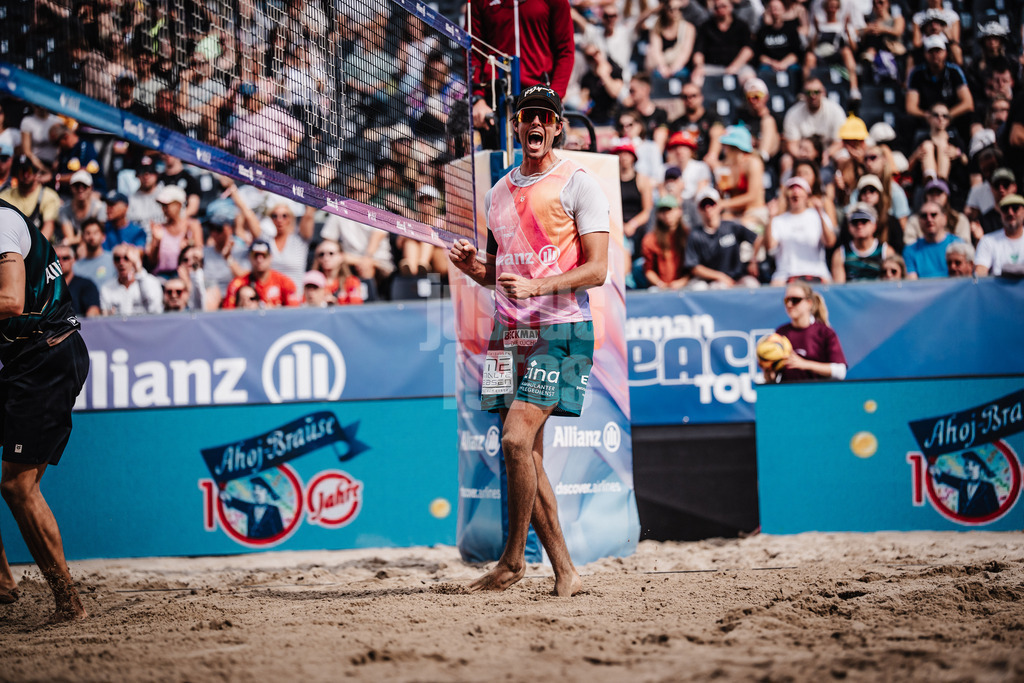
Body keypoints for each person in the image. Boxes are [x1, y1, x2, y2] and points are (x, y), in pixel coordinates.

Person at [447, 85, 609, 597]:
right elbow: (498, 273)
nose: (535, 123)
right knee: (526, 457)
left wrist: (538, 287)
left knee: (515, 440)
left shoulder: (579, 183)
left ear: (558, 126)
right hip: (507, 333)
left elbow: (598, 271)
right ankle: (566, 572)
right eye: (526, 116)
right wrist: (472, 267)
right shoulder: (497, 193)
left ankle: (512, 561)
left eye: (545, 116)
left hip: (561, 329)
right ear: (516, 125)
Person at [0, 197, 90, 622]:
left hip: (46, 357)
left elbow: (11, 300)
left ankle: (69, 603)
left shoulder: (1, 222)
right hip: (27, 359)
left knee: (18, 487)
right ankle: (3, 583)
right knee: (18, 486)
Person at [469, 0, 575, 136]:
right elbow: (472, 50)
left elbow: (565, 50)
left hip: (541, 98)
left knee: (541, 149)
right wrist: (478, 98)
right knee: (496, 151)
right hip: (494, 100)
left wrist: (553, 98)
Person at [757, 176, 836, 284]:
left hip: (816, 273)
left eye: (799, 188)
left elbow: (830, 242)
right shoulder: (778, 220)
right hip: (786, 275)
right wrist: (770, 218)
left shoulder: (817, 216)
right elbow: (770, 247)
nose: (795, 191)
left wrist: (820, 214)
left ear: (807, 195)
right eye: (791, 188)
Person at [764, 280, 847, 383]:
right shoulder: (781, 332)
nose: (789, 304)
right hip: (788, 391)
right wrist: (769, 373)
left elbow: (840, 372)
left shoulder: (825, 332)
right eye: (786, 300)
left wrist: (805, 364)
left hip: (818, 391)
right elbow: (775, 377)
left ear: (809, 303)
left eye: (795, 300)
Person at [684, 187, 760, 288]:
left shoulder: (731, 227)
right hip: (711, 282)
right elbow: (694, 267)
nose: (708, 209)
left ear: (718, 206)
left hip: (737, 278)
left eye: (712, 204)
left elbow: (757, 239)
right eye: (703, 205)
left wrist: (753, 260)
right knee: (710, 287)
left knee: (752, 284)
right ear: (699, 209)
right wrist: (720, 276)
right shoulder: (695, 235)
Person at [905, 35, 973, 130]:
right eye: (931, 52)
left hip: (951, 116)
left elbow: (968, 103)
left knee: (970, 117)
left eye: (938, 51)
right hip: (926, 118)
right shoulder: (917, 73)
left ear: (945, 53)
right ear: (925, 54)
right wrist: (928, 116)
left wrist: (946, 116)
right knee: (907, 120)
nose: (935, 55)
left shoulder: (954, 71)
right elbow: (910, 107)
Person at [222, 239, 297, 309]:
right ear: (249, 257)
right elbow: (228, 313)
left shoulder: (284, 283)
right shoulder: (237, 285)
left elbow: (294, 311)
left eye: (264, 255)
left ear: (270, 257)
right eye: (255, 255)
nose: (259, 259)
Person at [147, 186, 203, 278]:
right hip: (161, 275)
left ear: (179, 205)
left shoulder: (192, 226)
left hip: (186, 275)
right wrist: (157, 242)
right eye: (162, 205)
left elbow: (199, 255)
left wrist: (188, 246)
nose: (164, 209)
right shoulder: (159, 228)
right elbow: (152, 261)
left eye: (167, 205)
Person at [0, 156, 61, 240]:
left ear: (36, 174)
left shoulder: (48, 195)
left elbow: (49, 226)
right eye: (22, 171)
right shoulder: (4, 196)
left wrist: (36, 247)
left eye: (29, 171)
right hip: (11, 242)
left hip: (41, 243)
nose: (25, 175)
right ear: (16, 174)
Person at [830, 203, 890, 282]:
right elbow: (839, 285)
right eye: (855, 222)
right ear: (849, 227)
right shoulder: (840, 254)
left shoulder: (886, 252)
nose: (859, 226)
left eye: (864, 221)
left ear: (874, 225)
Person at [929, 451, 1000, 518]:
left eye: (974, 465)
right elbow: (946, 478)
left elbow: (994, 512)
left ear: (980, 466)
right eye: (967, 464)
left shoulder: (987, 487)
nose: (970, 468)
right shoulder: (962, 484)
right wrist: (936, 470)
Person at [903, 201, 963, 279]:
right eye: (924, 216)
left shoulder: (959, 245)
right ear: (919, 221)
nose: (929, 219)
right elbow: (912, 282)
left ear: (944, 218)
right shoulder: (910, 250)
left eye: (933, 215)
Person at [99, 244, 164, 315]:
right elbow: (105, 316)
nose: (121, 263)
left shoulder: (152, 282)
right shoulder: (107, 288)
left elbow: (155, 310)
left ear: (135, 260)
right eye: (117, 258)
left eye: (126, 258)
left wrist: (138, 269)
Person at [641, 195, 689, 289]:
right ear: (658, 214)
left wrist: (683, 281)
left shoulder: (688, 236)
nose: (667, 214)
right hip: (660, 286)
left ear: (679, 211)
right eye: (663, 211)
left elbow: (694, 266)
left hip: (686, 285)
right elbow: (648, 269)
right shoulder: (650, 240)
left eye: (670, 210)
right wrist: (660, 284)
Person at [219, 477, 284, 540]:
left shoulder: (273, 510)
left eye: (260, 489)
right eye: (254, 489)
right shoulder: (250, 508)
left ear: (266, 491)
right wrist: (225, 496)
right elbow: (235, 502)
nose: (256, 492)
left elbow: (279, 533)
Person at [975, 194, 1024, 277]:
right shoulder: (987, 241)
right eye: (1005, 209)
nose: (1010, 212)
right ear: (1000, 213)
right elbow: (980, 275)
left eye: (1015, 208)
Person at [57, 170, 106, 248]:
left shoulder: (100, 207)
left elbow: (98, 235)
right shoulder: (64, 210)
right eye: (77, 186)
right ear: (71, 187)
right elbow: (69, 237)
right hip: (74, 247)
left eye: (84, 186)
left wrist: (73, 240)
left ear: (91, 188)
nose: (80, 189)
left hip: (94, 246)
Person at [54, 244, 100, 317]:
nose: (60, 262)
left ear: (74, 259)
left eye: (65, 258)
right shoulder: (45, 287)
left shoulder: (86, 285)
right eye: (56, 258)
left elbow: (93, 312)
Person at [75, 218, 116, 288]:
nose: (92, 237)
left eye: (95, 233)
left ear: (103, 237)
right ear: (82, 237)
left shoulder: (114, 260)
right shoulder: (76, 267)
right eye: (88, 233)